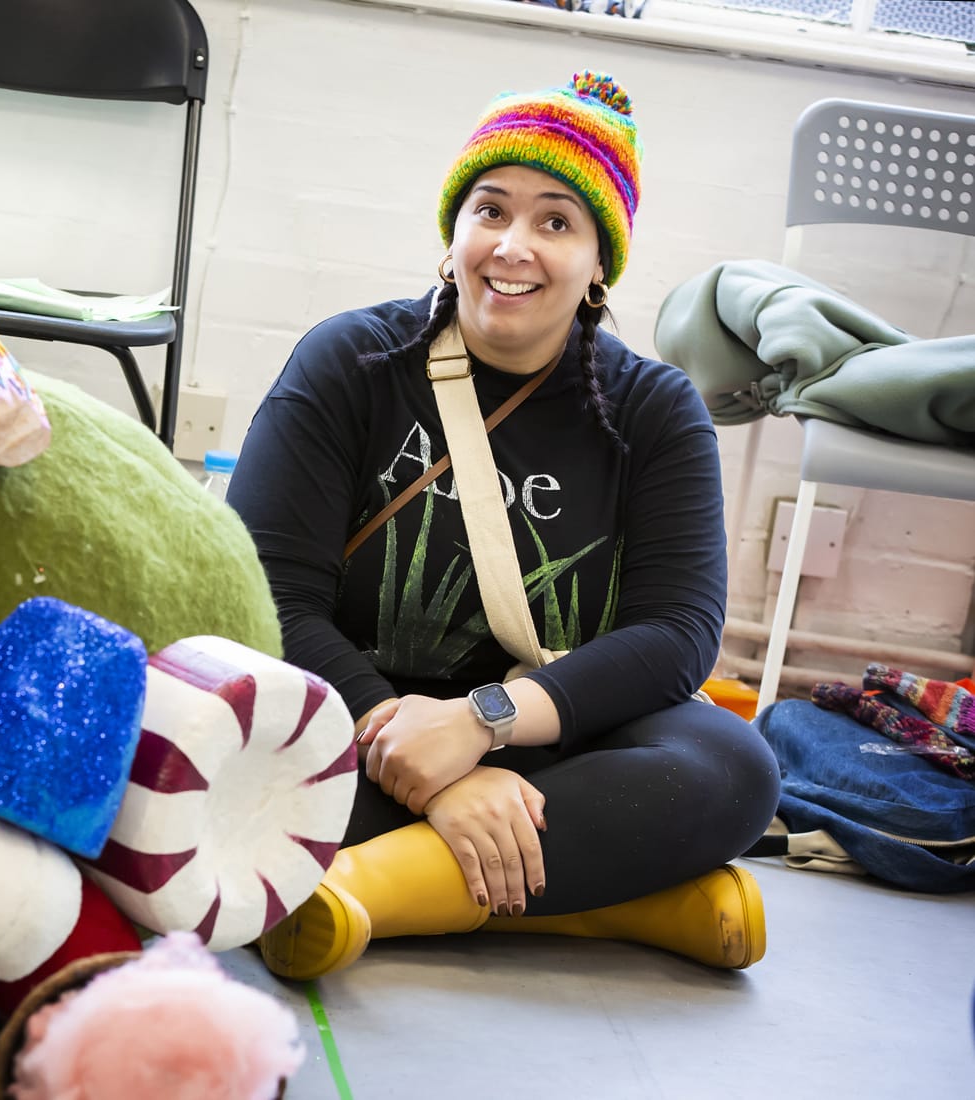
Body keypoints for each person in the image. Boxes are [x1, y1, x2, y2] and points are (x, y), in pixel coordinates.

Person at [227, 71, 781, 980]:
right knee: (199, 748)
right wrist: (416, 751)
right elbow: (267, 593)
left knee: (732, 769)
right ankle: (619, 903)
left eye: (556, 221)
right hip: (357, 717)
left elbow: (678, 635)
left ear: (602, 259)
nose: (513, 246)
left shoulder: (656, 410)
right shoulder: (350, 363)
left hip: (541, 725)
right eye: (490, 210)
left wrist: (480, 727)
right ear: (454, 233)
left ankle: (361, 891)